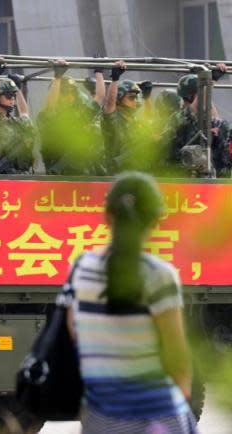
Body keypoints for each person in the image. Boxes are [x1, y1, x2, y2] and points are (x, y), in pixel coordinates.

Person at [66, 172, 197, 433]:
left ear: (107, 216)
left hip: (99, 418)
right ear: (155, 221)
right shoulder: (159, 275)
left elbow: (73, 330)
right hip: (158, 417)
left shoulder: (81, 268)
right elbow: (177, 357)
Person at [0, 60, 44, 174]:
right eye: (8, 96)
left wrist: (18, 89)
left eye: (13, 97)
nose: (12, 100)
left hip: (17, 178)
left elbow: (24, 114)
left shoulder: (15, 123)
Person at [37, 60, 105, 175]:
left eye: (72, 93)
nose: (70, 97)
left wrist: (98, 72)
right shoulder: (49, 117)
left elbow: (99, 98)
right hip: (59, 176)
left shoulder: (80, 115)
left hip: (84, 175)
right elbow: (50, 106)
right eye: (65, 93)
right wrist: (58, 77)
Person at [164, 65, 231, 178]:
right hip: (185, 178)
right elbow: (196, 107)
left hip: (214, 181)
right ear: (191, 95)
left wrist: (205, 83)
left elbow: (213, 114)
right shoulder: (178, 118)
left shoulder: (210, 120)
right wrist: (211, 81)